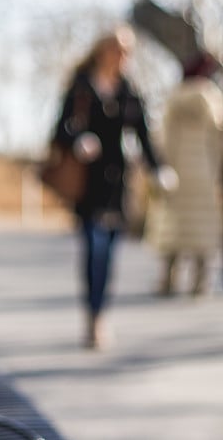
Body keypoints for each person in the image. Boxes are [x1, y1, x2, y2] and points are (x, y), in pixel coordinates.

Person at [52, 26, 176, 349]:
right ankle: (93, 315)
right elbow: (59, 130)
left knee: (109, 255)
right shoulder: (81, 88)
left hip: (118, 184)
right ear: (102, 50)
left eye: (128, 51)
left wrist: (159, 169)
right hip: (87, 185)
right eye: (117, 49)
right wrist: (78, 138)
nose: (122, 57)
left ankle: (100, 312)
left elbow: (144, 138)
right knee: (95, 249)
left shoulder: (130, 92)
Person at [146, 53, 223, 296]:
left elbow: (164, 137)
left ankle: (168, 279)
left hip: (177, 170)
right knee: (203, 226)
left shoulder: (174, 99)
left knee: (173, 226)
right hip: (204, 172)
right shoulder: (213, 100)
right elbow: (219, 139)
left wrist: (162, 166)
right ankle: (200, 282)